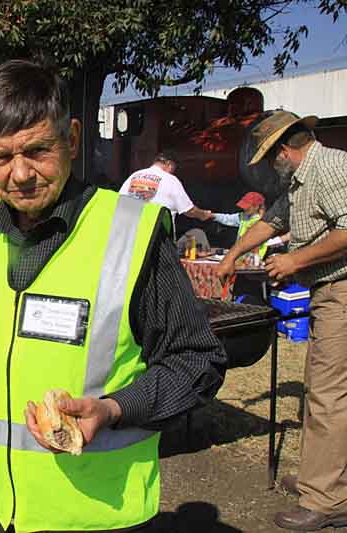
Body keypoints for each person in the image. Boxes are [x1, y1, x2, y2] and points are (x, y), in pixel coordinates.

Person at [0, 60, 226, 533]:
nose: (20, 174)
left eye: (38, 150)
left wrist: (113, 409)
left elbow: (196, 361)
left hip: (98, 515)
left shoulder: (130, 233)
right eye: (0, 158)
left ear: (72, 138)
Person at [216, 110, 347, 531]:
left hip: (342, 291)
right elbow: (272, 221)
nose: (271, 167)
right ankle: (320, 478)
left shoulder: (331, 167)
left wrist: (296, 260)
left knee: (329, 395)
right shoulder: (300, 181)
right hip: (327, 292)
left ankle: (327, 499)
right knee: (322, 390)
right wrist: (233, 255)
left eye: (270, 158)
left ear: (284, 151)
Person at [119, 151, 213, 234]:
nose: (172, 172)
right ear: (169, 164)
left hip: (129, 233)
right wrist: (203, 214)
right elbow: (188, 210)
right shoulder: (170, 179)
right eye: (174, 168)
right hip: (157, 237)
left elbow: (119, 202)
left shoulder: (134, 175)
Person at [211, 191, 286, 259]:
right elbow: (228, 219)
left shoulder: (261, 221)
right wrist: (212, 215)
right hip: (240, 256)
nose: (244, 208)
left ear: (256, 207)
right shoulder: (244, 216)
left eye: (247, 206)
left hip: (253, 259)